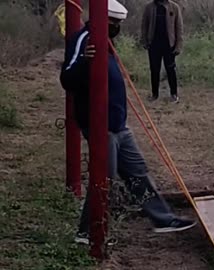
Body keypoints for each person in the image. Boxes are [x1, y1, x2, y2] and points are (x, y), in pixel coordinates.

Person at [60, 0, 195, 245]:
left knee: (138, 172)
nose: (117, 28)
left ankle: (163, 219)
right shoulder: (84, 40)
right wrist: (84, 61)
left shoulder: (105, 41)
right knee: (104, 177)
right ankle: (87, 232)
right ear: (103, 21)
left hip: (119, 126)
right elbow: (67, 79)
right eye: (114, 23)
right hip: (100, 125)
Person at [141, 0, 183, 103]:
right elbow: (144, 25)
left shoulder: (174, 7)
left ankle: (174, 94)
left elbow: (179, 28)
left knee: (171, 70)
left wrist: (178, 45)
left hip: (169, 44)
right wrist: (144, 41)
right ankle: (154, 94)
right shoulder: (149, 7)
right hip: (154, 44)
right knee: (154, 70)